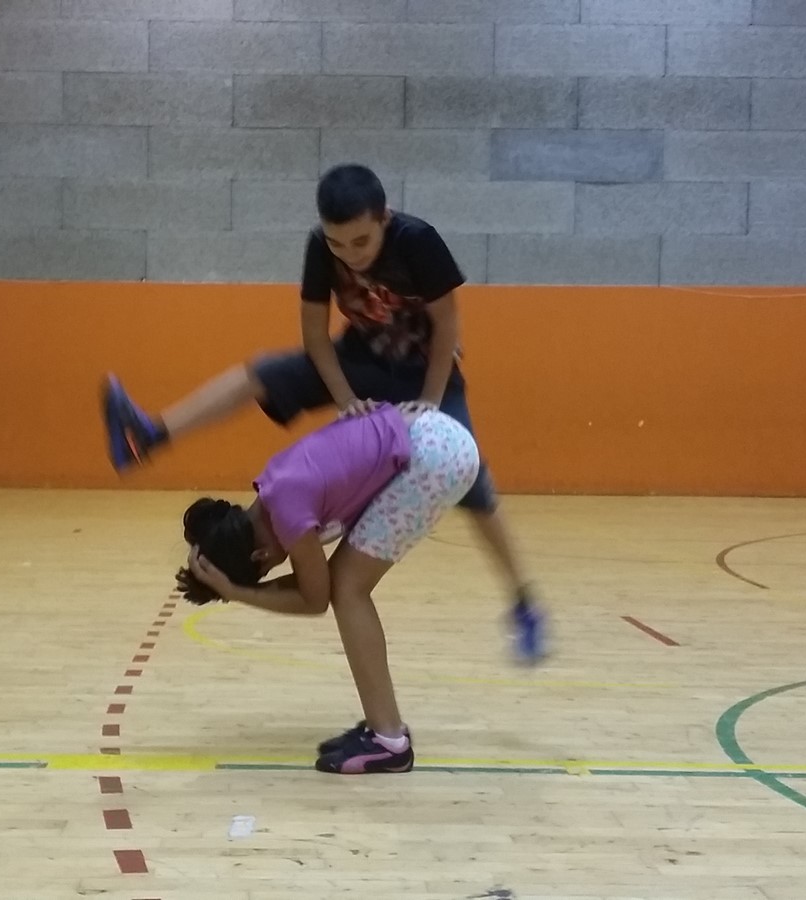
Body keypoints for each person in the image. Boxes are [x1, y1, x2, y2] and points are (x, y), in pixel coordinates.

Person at [106, 163, 549, 662]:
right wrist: (345, 399)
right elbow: (315, 336)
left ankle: (523, 601)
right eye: (338, 244)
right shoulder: (321, 247)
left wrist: (429, 401)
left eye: (361, 242)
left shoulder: (418, 240)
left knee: (475, 486)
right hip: (358, 362)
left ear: (384, 218)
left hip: (426, 372)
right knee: (262, 372)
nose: (350, 254)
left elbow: (447, 324)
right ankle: (152, 432)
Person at [176, 400, 479, 774]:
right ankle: (383, 723)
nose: (277, 566)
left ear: (259, 556)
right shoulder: (272, 486)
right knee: (346, 583)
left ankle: (389, 742)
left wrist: (237, 593)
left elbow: (314, 598)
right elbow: (315, 585)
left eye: (266, 570)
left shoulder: (287, 513)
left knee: (348, 589)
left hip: (435, 458)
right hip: (435, 438)